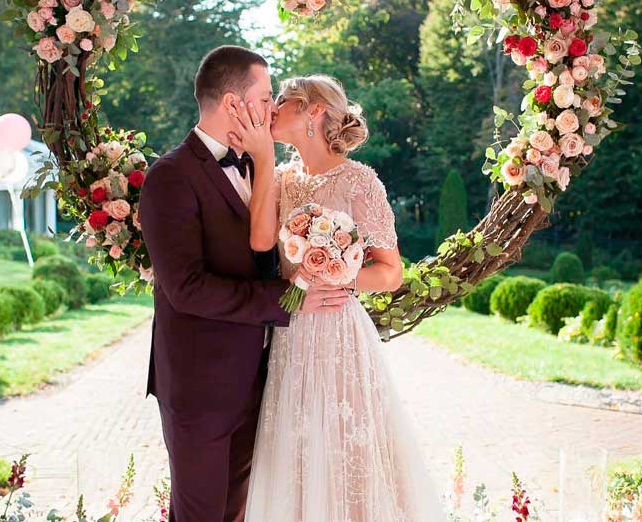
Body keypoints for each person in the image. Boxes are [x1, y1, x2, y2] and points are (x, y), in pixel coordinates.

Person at [139, 47, 350, 522]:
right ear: (234, 104)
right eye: (266, 96)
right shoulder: (170, 177)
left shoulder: (260, 168)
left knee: (238, 512)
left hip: (259, 382)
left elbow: (266, 260)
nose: (273, 108)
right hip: (199, 387)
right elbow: (186, 288)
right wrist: (291, 300)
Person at [229, 74, 446, 521]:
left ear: (314, 112)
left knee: (347, 449)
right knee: (298, 449)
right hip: (291, 336)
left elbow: (390, 272)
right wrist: (265, 160)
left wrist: (338, 273)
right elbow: (260, 241)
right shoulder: (281, 177)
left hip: (340, 338)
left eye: (283, 101)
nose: (272, 109)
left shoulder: (360, 182)